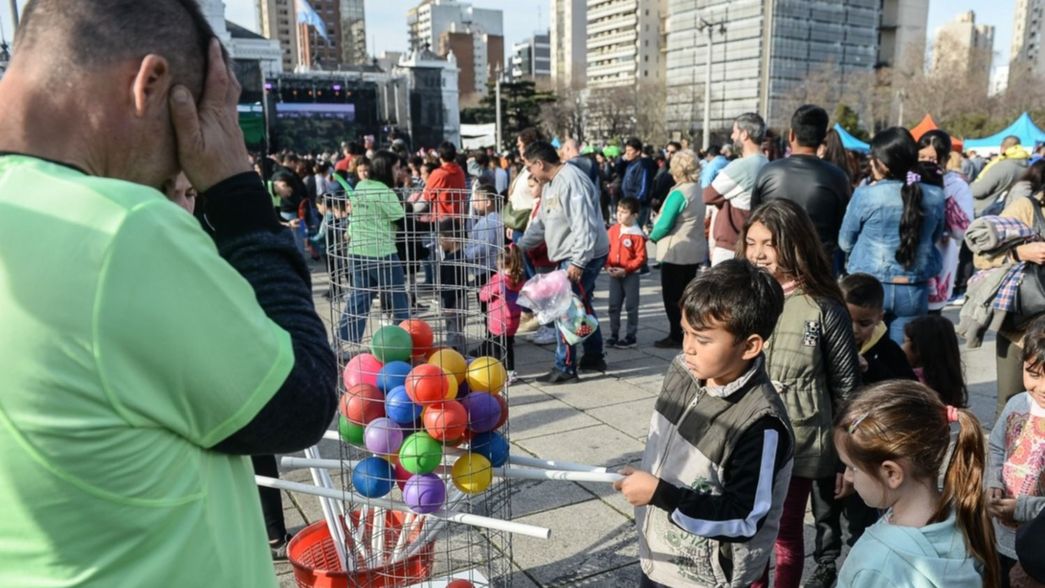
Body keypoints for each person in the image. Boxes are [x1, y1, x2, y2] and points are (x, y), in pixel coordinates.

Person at [0, 3, 338, 585]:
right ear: (150, 85)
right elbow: (301, 400)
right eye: (204, 122)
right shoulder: (115, 229)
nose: (179, 167)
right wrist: (235, 189)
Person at [614, 259, 794, 588]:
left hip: (705, 577)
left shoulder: (760, 424)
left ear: (750, 345)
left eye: (703, 339)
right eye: (685, 332)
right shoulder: (683, 370)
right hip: (659, 556)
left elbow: (744, 517)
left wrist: (661, 494)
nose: (688, 347)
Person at [739, 200, 860, 588]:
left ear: (794, 244)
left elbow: (846, 387)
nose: (757, 253)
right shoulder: (744, 298)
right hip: (748, 437)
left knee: (784, 532)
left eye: (769, 243)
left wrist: (848, 458)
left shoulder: (824, 307)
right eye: (751, 242)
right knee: (749, 529)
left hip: (801, 439)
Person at [834, 381, 1000, 588]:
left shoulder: (877, 563)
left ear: (891, 473)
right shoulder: (963, 516)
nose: (848, 477)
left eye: (852, 467)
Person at [839, 127, 946, 345]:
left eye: (873, 158)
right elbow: (934, 237)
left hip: (868, 288)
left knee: (862, 354)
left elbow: (845, 241)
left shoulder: (866, 195)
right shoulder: (935, 195)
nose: (870, 163)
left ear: (883, 163)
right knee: (902, 358)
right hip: (913, 288)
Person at [518, 141, 610, 383]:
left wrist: (578, 262)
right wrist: (519, 247)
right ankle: (593, 355)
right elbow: (542, 223)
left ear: (540, 163)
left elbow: (584, 224)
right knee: (582, 306)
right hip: (571, 254)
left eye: (530, 168)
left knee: (563, 310)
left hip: (581, 255)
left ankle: (565, 366)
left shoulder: (571, 181)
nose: (530, 173)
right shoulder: (550, 184)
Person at [750, 104, 851, 261]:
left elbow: (754, 217)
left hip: (774, 259)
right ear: (823, 138)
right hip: (817, 263)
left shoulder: (768, 172)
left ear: (791, 135)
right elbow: (842, 225)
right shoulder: (838, 177)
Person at [988, 315, 1045, 587]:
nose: (1041, 387)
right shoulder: (1016, 405)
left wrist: (1022, 508)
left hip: (1038, 549)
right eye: (1033, 374)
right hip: (1003, 537)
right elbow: (997, 446)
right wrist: (992, 483)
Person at [337, 150, 410, 343]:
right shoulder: (386, 193)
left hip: (357, 250)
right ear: (386, 169)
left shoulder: (361, 186)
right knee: (398, 297)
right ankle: (405, 340)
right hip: (382, 253)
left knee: (359, 297)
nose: (399, 172)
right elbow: (403, 222)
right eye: (396, 168)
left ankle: (342, 342)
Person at [649, 149, 706, 349]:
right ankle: (688, 331)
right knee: (687, 295)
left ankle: (676, 334)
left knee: (672, 297)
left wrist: (651, 237)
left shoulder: (679, 193)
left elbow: (664, 224)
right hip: (694, 249)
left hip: (676, 251)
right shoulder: (698, 189)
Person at [917, 130, 974, 312]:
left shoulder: (956, 185)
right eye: (922, 156)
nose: (926, 162)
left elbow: (963, 230)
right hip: (905, 268)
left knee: (930, 324)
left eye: (932, 158)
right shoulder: (908, 180)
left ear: (944, 158)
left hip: (939, 263)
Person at [704, 112, 769, 265]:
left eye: (734, 132)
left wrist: (723, 198)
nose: (732, 137)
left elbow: (708, 195)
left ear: (744, 134)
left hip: (731, 244)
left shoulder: (742, 165)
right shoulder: (766, 163)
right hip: (751, 241)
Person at [840, 273, 917, 383]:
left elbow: (910, 388)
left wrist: (870, 367)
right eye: (846, 320)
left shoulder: (888, 351)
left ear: (879, 318)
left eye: (864, 323)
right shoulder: (821, 341)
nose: (854, 330)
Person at [473, 247, 526, 379]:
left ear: (501, 265)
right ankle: (510, 371)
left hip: (498, 321)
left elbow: (484, 296)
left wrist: (486, 286)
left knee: (497, 349)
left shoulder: (499, 280)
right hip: (512, 321)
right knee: (508, 347)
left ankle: (501, 373)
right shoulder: (519, 279)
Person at [604, 196, 647, 349]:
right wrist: (607, 266)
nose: (619, 215)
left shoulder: (636, 234)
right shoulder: (613, 230)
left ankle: (631, 335)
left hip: (630, 275)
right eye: (618, 211)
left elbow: (641, 257)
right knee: (613, 305)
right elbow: (606, 249)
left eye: (624, 212)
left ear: (634, 215)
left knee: (631, 306)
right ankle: (613, 333)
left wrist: (627, 269)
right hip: (614, 273)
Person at [902, 316, 969, 408]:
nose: (902, 347)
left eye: (905, 341)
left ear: (919, 349)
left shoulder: (910, 383)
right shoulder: (946, 379)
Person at [973, 136, 1031, 215]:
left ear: (1003, 147)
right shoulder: (1027, 166)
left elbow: (979, 191)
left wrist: (970, 186)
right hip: (1012, 211)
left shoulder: (1003, 166)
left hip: (987, 212)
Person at [419, 141, 467, 222]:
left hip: (442, 219)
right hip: (458, 218)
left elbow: (427, 196)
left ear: (440, 156)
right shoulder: (460, 171)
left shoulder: (439, 173)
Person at [621, 137, 658, 229]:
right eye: (626, 150)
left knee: (634, 231)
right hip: (628, 203)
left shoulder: (642, 165)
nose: (627, 153)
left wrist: (634, 203)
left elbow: (643, 188)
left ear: (637, 152)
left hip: (637, 206)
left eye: (630, 150)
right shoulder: (630, 164)